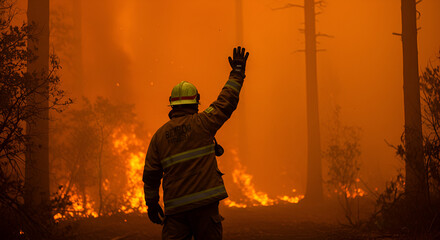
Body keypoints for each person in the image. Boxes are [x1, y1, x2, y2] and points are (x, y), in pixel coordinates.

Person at [143, 46, 249, 240]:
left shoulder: (159, 136)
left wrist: (151, 204)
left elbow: (151, 176)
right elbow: (226, 101)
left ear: (172, 104)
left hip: (175, 212)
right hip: (205, 209)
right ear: (195, 103)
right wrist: (237, 72)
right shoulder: (203, 123)